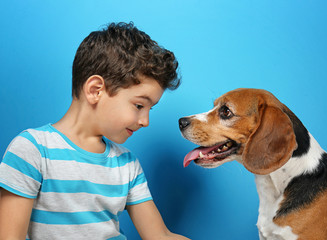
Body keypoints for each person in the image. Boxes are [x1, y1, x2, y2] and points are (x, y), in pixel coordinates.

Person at [0, 22, 190, 240]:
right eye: (139, 106)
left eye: (150, 109)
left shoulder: (127, 164)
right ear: (95, 90)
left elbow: (160, 236)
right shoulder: (32, 150)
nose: (145, 121)